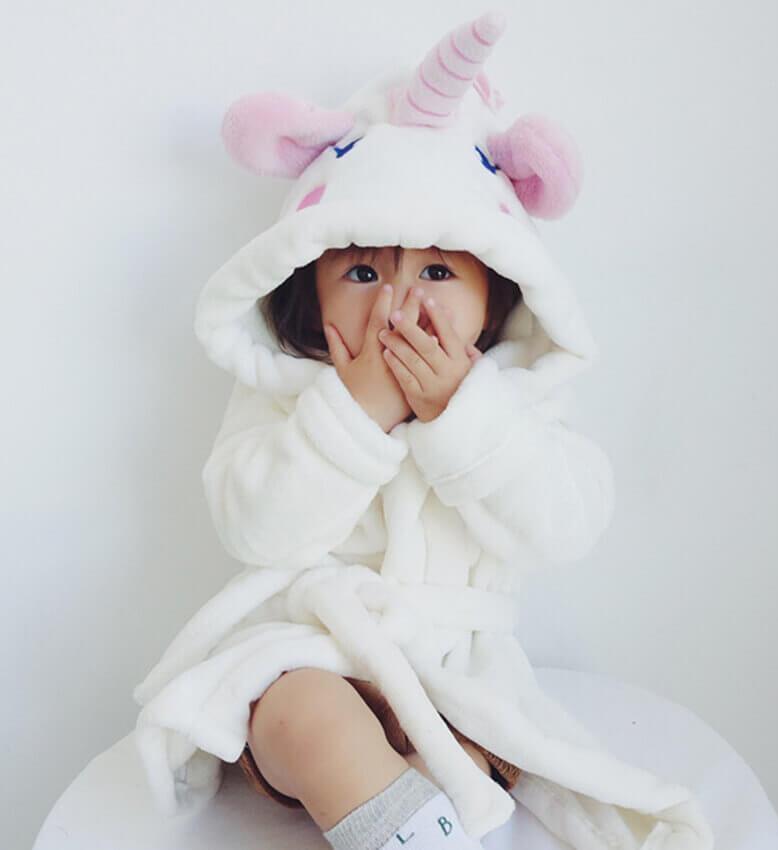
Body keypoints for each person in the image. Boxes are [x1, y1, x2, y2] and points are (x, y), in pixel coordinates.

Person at [133, 10, 715, 850]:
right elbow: (251, 526)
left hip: (456, 668)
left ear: (498, 293)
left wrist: (464, 416)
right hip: (318, 648)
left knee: (473, 746)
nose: (399, 305)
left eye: (438, 269)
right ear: (307, 287)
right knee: (301, 716)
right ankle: (400, 825)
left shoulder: (516, 399)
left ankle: (422, 811)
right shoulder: (289, 391)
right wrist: (353, 415)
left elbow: (567, 524)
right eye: (361, 271)